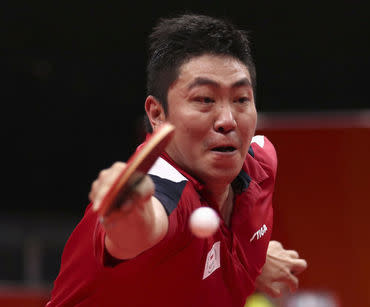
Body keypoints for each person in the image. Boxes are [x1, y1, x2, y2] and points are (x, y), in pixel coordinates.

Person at [47, 13, 306, 307]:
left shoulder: (261, 164)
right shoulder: (163, 188)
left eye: (241, 99)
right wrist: (127, 214)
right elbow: (140, 231)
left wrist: (251, 258)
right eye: (205, 99)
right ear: (157, 113)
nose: (227, 120)